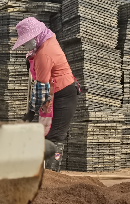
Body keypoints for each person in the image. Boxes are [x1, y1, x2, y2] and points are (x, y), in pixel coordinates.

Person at [12, 17, 79, 172]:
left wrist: (30, 112)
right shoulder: (47, 39)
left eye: (26, 41)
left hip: (63, 93)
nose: (24, 45)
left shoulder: (44, 54)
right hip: (56, 91)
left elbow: (41, 89)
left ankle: (52, 177)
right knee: (46, 136)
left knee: (54, 137)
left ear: (35, 37)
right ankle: (46, 175)